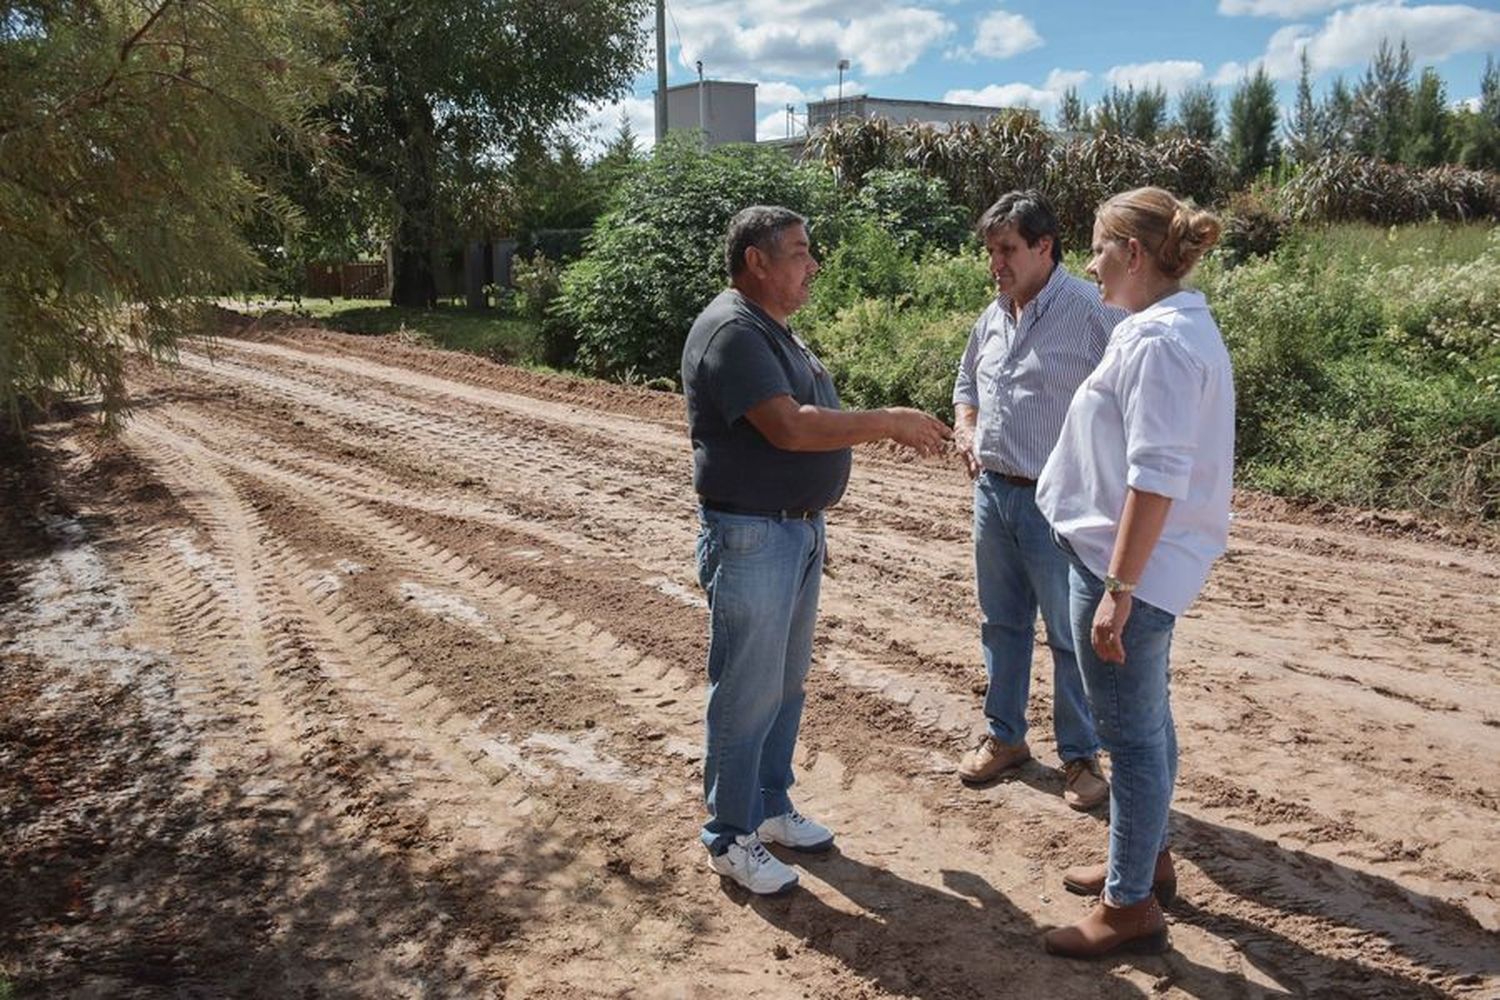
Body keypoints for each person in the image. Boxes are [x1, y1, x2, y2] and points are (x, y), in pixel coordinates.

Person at [682, 205, 952, 895]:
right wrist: (885, 421)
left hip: (791, 531)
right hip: (753, 534)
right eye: (799, 252)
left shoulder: (774, 333)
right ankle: (729, 836)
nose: (813, 265)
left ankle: (769, 807)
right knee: (746, 691)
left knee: (784, 685)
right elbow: (791, 429)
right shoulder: (733, 332)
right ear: (757, 262)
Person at [1035, 187, 1232, 957]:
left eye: (1097, 247)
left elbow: (1157, 478)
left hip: (1130, 572)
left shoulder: (1157, 344)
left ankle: (1129, 907)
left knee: (1130, 737)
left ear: (1133, 253)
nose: (1090, 264)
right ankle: (1143, 860)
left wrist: (1118, 590)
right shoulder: (1160, 329)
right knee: (1145, 722)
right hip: (1128, 562)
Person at [951, 190, 1124, 810]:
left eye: (1006, 250)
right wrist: (967, 428)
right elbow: (966, 382)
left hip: (1059, 507)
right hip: (993, 496)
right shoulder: (993, 314)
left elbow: (1133, 399)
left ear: (1044, 247)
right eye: (990, 251)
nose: (995, 262)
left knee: (1071, 636)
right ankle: (1005, 737)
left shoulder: (1092, 311)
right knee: (1001, 626)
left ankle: (1080, 757)